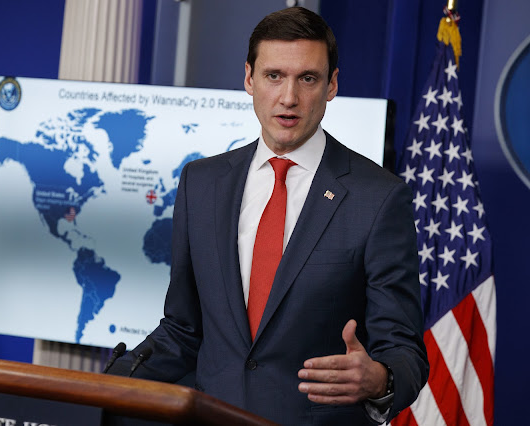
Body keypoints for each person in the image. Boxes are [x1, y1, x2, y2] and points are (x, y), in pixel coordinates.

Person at [109, 7, 428, 425]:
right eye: (274, 75)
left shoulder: (378, 198)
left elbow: (404, 350)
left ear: (332, 85)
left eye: (307, 78)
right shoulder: (201, 183)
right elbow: (184, 329)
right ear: (249, 79)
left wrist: (380, 379)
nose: (288, 97)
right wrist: (107, 385)